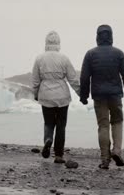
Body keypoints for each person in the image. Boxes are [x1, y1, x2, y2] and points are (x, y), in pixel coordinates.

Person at [79, 24, 124, 169]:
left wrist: (83, 96)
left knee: (103, 125)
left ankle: (105, 159)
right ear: (111, 36)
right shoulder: (118, 53)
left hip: (99, 96)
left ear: (97, 37)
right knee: (117, 122)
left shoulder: (90, 54)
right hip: (115, 94)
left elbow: (84, 77)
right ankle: (116, 150)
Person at [32, 31, 80, 163]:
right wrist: (81, 93)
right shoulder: (64, 58)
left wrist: (36, 94)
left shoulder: (39, 58)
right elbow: (72, 79)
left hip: (46, 95)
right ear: (58, 43)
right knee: (61, 125)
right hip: (62, 97)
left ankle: (48, 139)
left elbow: (35, 80)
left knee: (48, 122)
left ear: (46, 43)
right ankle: (59, 155)